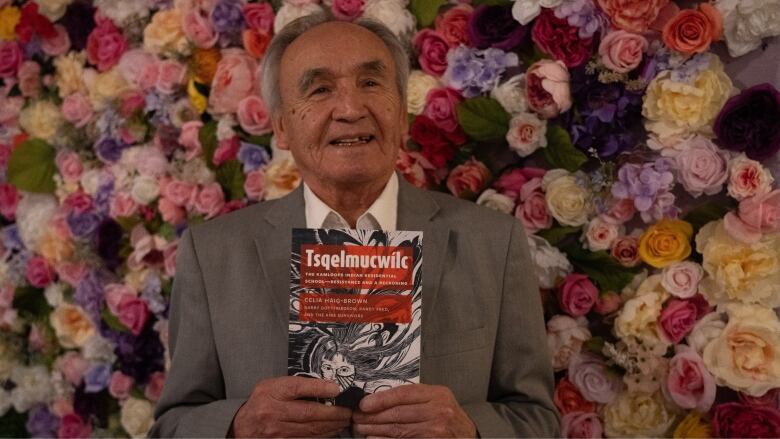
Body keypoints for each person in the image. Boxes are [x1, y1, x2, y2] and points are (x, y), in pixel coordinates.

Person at [151, 11, 559, 438]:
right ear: (282, 126)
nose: (349, 109)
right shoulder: (213, 254)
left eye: (370, 83)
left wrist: (470, 431)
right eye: (320, 89)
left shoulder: (493, 242)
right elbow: (173, 425)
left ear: (401, 114)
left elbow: (537, 419)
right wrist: (238, 427)